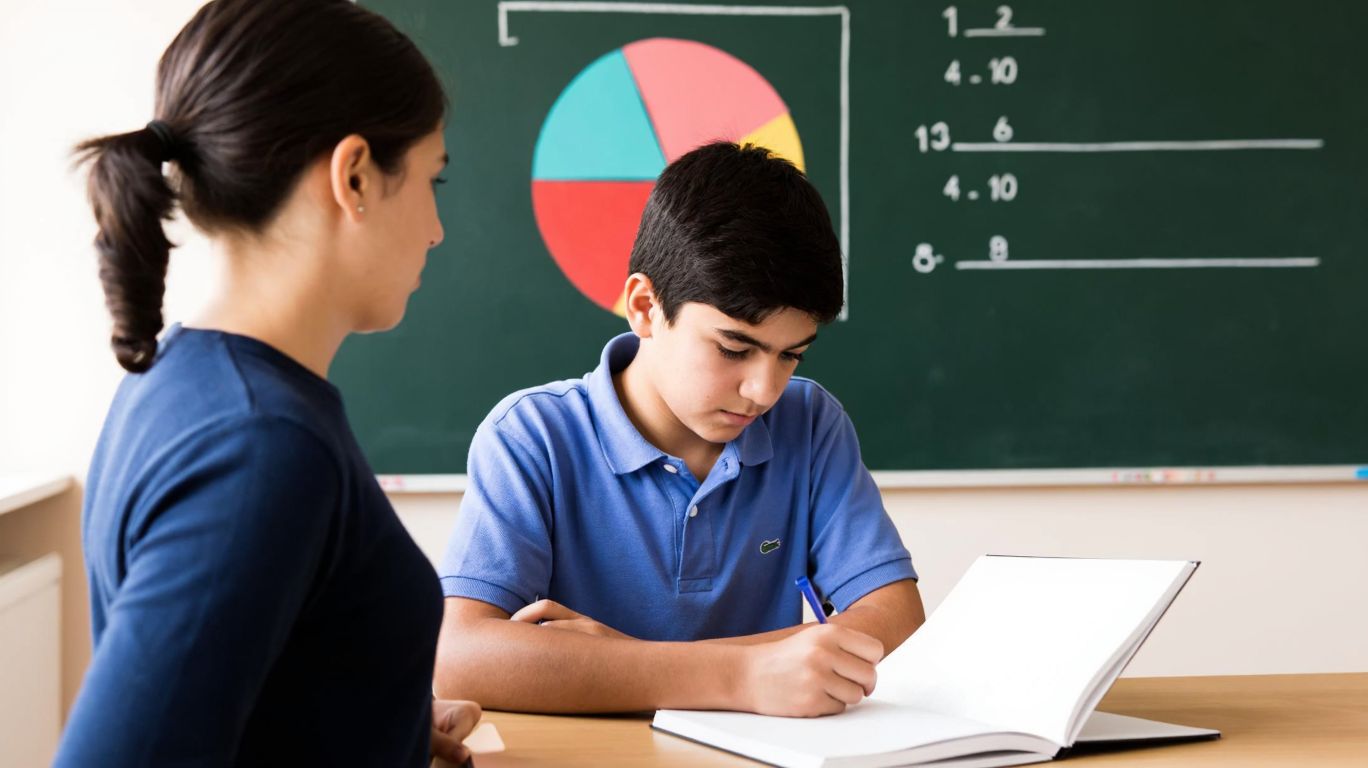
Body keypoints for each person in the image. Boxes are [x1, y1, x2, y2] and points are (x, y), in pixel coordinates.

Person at [56, 0, 479, 764]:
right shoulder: (262, 445)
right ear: (354, 175)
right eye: (431, 180)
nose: (437, 229)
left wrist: (379, 724)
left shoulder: (186, 379)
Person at [434, 142, 925, 717]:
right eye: (734, 347)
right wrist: (742, 676)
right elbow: (460, 656)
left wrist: (625, 663)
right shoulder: (532, 436)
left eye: (792, 355)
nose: (765, 391)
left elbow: (897, 621)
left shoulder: (811, 425)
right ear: (644, 306)